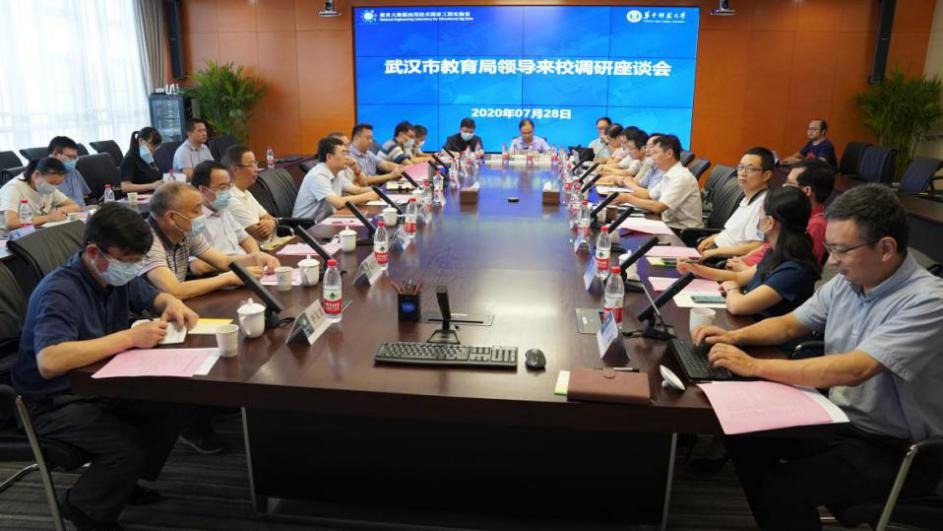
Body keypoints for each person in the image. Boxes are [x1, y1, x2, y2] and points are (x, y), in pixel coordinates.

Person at [693, 184, 943, 531]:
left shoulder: (928, 301)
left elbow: (856, 369)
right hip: (841, 422)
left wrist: (754, 366)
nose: (832, 261)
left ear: (886, 248)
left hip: (897, 449)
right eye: (830, 248)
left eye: (842, 250)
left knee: (783, 488)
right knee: (745, 439)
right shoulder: (849, 281)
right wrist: (733, 336)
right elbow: (789, 325)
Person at [10, 203, 198, 530]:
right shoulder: (60, 291)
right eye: (127, 260)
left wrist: (172, 303)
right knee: (127, 449)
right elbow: (50, 360)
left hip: (101, 385)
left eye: (138, 260)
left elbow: (153, 297)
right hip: (53, 401)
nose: (133, 267)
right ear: (94, 252)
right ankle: (83, 507)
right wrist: (129, 338)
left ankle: (119, 484)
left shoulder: (116, 274)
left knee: (173, 402)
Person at [679, 187, 820, 318]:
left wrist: (733, 289)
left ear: (770, 222)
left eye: (760, 212)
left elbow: (738, 306)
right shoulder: (776, 251)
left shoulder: (793, 270)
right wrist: (694, 268)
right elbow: (738, 277)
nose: (758, 216)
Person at [140, 182, 276, 301]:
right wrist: (230, 278)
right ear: (171, 217)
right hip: (148, 318)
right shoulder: (147, 241)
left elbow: (224, 261)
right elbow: (175, 290)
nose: (202, 215)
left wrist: (255, 257)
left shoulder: (186, 232)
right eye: (196, 210)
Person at [729, 159, 834, 271]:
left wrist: (744, 270)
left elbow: (793, 268)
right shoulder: (792, 214)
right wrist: (743, 258)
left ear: (806, 191)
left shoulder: (816, 225)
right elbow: (767, 247)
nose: (784, 186)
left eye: (789, 183)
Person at [189, 161, 274, 271]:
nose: (227, 192)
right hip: (224, 273)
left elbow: (246, 239)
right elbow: (198, 267)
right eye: (222, 188)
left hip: (245, 267)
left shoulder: (224, 209)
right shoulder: (195, 221)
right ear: (203, 190)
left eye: (228, 186)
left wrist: (256, 257)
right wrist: (241, 263)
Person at [697, 147, 774, 259]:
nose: (743, 173)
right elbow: (736, 235)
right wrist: (714, 237)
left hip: (724, 260)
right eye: (741, 167)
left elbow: (757, 246)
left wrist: (715, 252)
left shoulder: (764, 204)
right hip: (714, 250)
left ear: (766, 175)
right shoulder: (747, 197)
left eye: (751, 169)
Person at [615, 135, 702, 229]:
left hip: (682, 232)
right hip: (667, 224)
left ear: (669, 153)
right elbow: (648, 195)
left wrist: (628, 198)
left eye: (655, 153)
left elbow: (659, 207)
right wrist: (619, 196)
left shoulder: (682, 177)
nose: (652, 158)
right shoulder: (669, 173)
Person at [293, 136, 378, 222]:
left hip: (325, 221)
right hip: (306, 226)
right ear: (329, 157)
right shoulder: (317, 176)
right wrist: (368, 196)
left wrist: (378, 192)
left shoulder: (336, 172)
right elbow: (338, 203)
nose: (347, 157)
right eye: (343, 153)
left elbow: (356, 190)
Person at [0, 157, 81, 238]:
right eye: (52, 183)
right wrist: (48, 218)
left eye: (57, 184)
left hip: (36, 232)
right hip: (9, 237)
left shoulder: (47, 186)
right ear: (37, 175)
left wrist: (57, 211)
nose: (54, 187)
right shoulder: (13, 188)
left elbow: (75, 206)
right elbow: (11, 223)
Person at [221, 145, 279, 242]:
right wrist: (271, 223)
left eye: (255, 163)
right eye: (251, 164)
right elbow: (261, 236)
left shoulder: (246, 192)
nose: (256, 169)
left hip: (271, 243)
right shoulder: (230, 199)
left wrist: (272, 223)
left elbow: (271, 218)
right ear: (235, 170)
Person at [47, 136, 91, 206]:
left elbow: (85, 197)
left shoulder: (74, 172)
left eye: (75, 158)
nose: (73, 161)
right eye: (70, 157)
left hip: (83, 211)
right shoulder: (43, 177)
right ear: (55, 154)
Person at [119, 127, 164, 193]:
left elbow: (156, 176)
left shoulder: (147, 156)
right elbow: (125, 187)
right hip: (139, 196)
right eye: (152, 145)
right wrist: (152, 186)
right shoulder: (129, 159)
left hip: (154, 194)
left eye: (156, 146)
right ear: (141, 141)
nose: (154, 149)